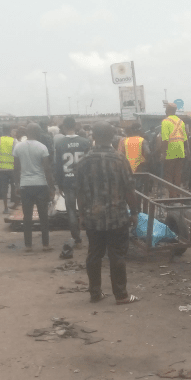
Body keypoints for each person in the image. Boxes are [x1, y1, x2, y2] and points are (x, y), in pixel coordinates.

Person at [76, 121, 141, 305]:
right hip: (117, 216)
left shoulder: (84, 161)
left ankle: (95, 293)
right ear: (112, 137)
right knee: (117, 255)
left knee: (94, 254)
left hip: (92, 217)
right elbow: (129, 190)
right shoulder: (120, 159)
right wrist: (134, 212)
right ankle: (121, 295)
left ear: (93, 137)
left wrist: (81, 215)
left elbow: (79, 192)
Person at [13, 123, 56, 252]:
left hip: (25, 185)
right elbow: (47, 169)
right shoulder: (42, 147)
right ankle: (45, 244)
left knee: (27, 216)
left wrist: (16, 184)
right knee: (43, 216)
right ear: (37, 133)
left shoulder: (18, 147)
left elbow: (16, 168)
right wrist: (51, 187)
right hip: (41, 184)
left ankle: (28, 245)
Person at [54, 117, 92, 247]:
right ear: (76, 126)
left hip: (67, 180)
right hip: (83, 181)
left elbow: (57, 165)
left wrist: (59, 184)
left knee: (70, 209)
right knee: (85, 208)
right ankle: (91, 235)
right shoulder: (85, 142)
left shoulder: (59, 143)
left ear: (64, 127)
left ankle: (76, 238)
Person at [160, 103, 188, 187]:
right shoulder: (181, 122)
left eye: (166, 109)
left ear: (168, 110)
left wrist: (163, 154)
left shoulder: (165, 121)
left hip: (170, 152)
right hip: (180, 151)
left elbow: (165, 140)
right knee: (177, 174)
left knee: (168, 175)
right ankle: (177, 194)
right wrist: (188, 152)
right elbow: (185, 139)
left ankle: (172, 196)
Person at [0, 125, 18, 214]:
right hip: (12, 167)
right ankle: (16, 204)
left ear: (2, 131)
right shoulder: (14, 140)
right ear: (10, 131)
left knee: (4, 189)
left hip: (2, 167)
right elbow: (16, 154)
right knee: (15, 186)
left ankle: (5, 207)